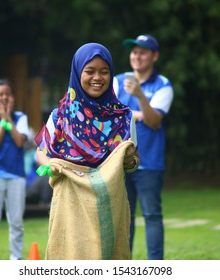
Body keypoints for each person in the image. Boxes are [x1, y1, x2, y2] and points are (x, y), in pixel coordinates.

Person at [35, 43, 139, 260]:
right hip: (70, 206)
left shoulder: (124, 119)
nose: (97, 78)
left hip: (108, 207)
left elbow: (133, 162)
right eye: (90, 71)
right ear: (77, 72)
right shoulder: (60, 117)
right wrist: (50, 166)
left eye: (104, 71)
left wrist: (129, 160)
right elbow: (41, 152)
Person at [113, 34, 174, 260]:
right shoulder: (116, 81)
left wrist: (139, 97)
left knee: (151, 215)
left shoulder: (163, 85)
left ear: (154, 56)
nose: (137, 56)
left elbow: (154, 121)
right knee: (124, 217)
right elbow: (107, 115)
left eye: (143, 52)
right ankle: (123, 265)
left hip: (149, 161)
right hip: (118, 162)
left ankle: (155, 267)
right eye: (134, 51)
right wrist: (135, 115)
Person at [0, 79, 30, 260]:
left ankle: (16, 259)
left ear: (13, 98)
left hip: (17, 175)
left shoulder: (21, 117)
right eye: (0, 94)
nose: (4, 98)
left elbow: (19, 141)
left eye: (7, 94)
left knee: (16, 221)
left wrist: (8, 119)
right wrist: (3, 121)